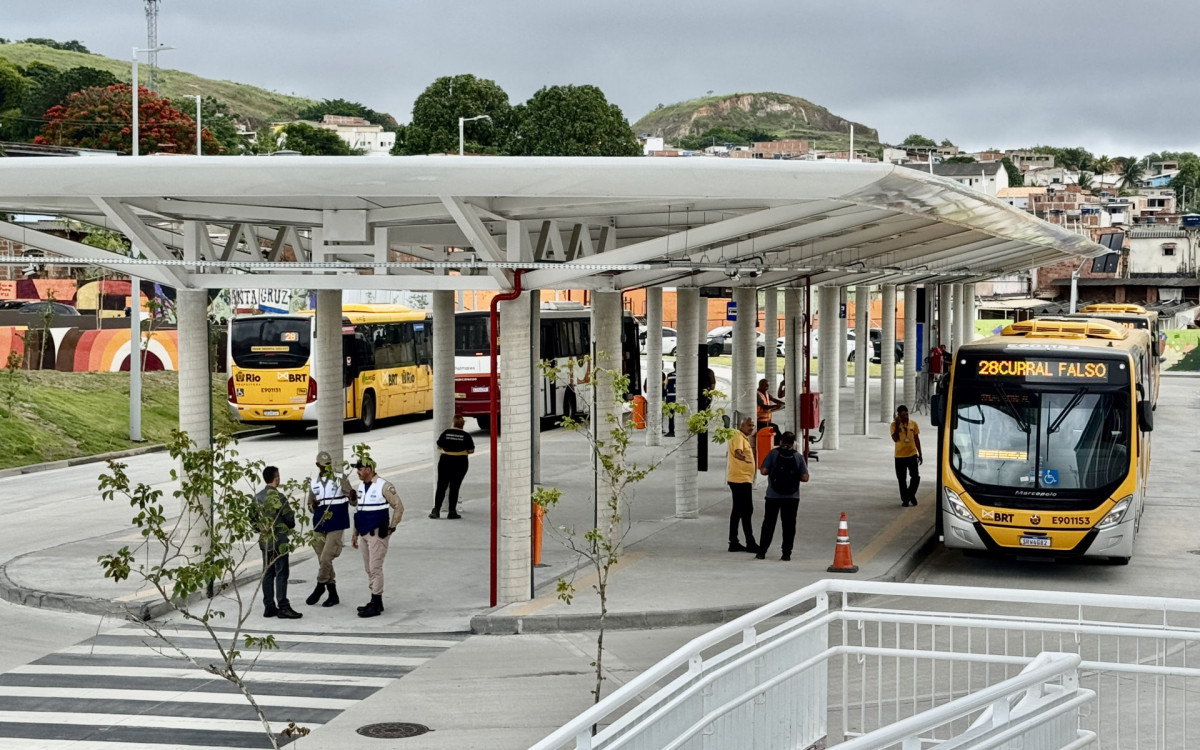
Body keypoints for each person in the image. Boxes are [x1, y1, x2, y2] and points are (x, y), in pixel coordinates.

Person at [351, 457, 405, 618]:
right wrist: (354, 533)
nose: (358, 472)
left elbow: (399, 507)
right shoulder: (361, 486)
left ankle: (376, 601)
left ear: (368, 469)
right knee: (369, 568)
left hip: (376, 534)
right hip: (363, 533)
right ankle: (376, 601)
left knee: (375, 568)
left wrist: (392, 527)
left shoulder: (384, 486)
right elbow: (358, 511)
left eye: (360, 469)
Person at [304, 450, 356, 608]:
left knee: (326, 558)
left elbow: (353, 502)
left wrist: (353, 496)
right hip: (320, 523)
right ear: (317, 465)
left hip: (336, 522)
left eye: (328, 465)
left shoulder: (341, 478)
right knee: (322, 559)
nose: (326, 468)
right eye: (322, 466)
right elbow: (310, 506)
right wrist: (313, 505)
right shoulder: (314, 483)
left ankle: (320, 586)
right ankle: (333, 593)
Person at [254, 466, 301, 619]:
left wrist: (261, 530)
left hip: (265, 540)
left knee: (267, 573)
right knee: (281, 573)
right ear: (277, 478)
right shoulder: (279, 497)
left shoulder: (257, 497)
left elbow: (252, 520)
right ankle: (283, 606)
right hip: (279, 540)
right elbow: (290, 520)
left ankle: (269, 606)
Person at [755, 432, 810, 561]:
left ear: (780, 441)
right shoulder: (798, 457)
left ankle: (762, 552)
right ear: (793, 443)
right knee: (789, 525)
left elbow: (763, 471)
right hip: (792, 497)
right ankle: (786, 553)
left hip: (773, 496)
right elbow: (805, 477)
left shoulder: (773, 453)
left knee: (768, 523)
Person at [431, 415, 475, 519]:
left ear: (453, 423)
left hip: (445, 461)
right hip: (460, 462)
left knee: (441, 486)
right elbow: (471, 450)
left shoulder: (446, 433)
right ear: (462, 424)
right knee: (455, 487)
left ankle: (436, 510)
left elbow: (438, 446)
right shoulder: (466, 435)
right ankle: (452, 512)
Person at [726, 417, 759, 553]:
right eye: (749, 425)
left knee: (739, 511)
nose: (752, 428)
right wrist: (743, 458)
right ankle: (749, 542)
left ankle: (734, 541)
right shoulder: (738, 437)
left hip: (742, 479)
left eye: (753, 425)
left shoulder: (742, 437)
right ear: (742, 426)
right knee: (746, 511)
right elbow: (737, 452)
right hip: (740, 480)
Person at [891, 404, 923, 506]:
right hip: (900, 456)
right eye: (903, 415)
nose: (906, 417)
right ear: (899, 415)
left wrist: (920, 453)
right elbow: (895, 438)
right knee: (902, 479)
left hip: (912, 454)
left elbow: (917, 439)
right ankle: (905, 499)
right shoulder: (893, 425)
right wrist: (897, 425)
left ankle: (910, 494)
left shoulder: (913, 424)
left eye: (907, 414)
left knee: (915, 477)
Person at [664, 368, 677, 437]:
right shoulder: (684, 375)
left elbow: (665, 386)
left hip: (670, 397)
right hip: (680, 398)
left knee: (671, 415)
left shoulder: (669, 375)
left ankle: (671, 431)